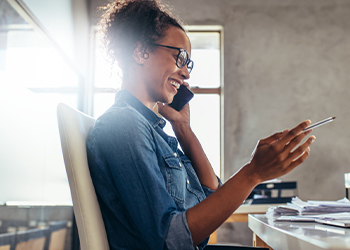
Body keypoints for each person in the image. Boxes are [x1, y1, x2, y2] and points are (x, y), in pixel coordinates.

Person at [86, 0, 316, 249]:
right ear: (140, 51)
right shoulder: (123, 125)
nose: (186, 73)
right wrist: (253, 173)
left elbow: (212, 196)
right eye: (180, 57)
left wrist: (184, 129)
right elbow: (169, 239)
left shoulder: (152, 131)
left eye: (189, 64)